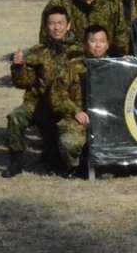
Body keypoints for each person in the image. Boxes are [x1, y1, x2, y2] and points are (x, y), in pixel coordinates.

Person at [4, 7, 83, 177]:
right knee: (15, 117)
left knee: (62, 151)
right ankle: (16, 160)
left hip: (68, 106)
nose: (56, 28)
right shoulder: (37, 52)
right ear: (46, 27)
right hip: (38, 104)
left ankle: (69, 164)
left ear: (68, 26)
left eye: (60, 23)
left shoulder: (80, 50)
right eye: (52, 24)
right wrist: (19, 67)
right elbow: (24, 82)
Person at [50, 25, 111, 175]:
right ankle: (75, 168)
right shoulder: (72, 67)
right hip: (79, 118)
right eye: (93, 41)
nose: (97, 45)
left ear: (108, 44)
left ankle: (109, 167)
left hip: (107, 120)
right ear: (85, 44)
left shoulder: (114, 66)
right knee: (69, 142)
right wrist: (76, 112)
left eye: (102, 41)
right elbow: (56, 95)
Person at [42, 0, 130, 56]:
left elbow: (122, 31)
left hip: (107, 57)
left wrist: (120, 55)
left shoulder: (112, 0)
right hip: (72, 59)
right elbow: (47, 33)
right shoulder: (62, 3)